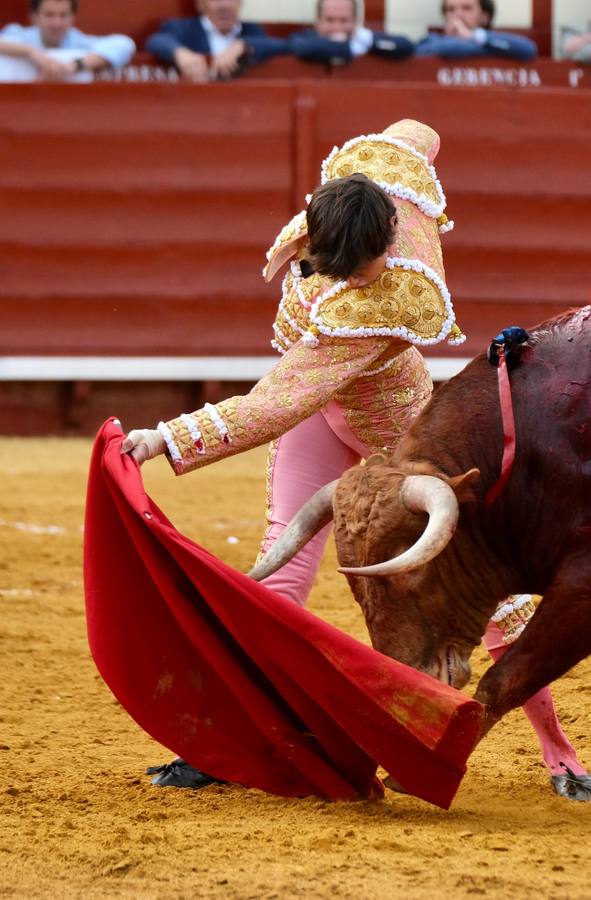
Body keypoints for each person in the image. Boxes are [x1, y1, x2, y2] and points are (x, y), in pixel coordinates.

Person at [122, 119, 588, 795]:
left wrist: (166, 437)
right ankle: (236, 743)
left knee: (479, 588)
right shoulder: (372, 181)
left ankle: (560, 753)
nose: (361, 278)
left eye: (367, 266)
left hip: (396, 431)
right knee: (280, 564)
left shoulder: (389, 294)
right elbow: (418, 131)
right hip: (320, 415)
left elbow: (275, 401)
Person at [145, 0, 286, 83]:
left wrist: (243, 45)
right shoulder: (183, 28)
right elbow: (156, 40)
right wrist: (179, 53)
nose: (224, 5)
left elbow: (283, 45)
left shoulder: (251, 31)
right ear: (200, 4)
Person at [0, 0, 135, 82]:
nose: (57, 23)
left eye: (63, 15)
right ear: (34, 17)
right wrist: (31, 51)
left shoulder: (78, 41)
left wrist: (73, 66)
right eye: (49, 15)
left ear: (73, 17)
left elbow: (124, 44)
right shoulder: (19, 35)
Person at [288, 0, 413, 66]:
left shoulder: (365, 39)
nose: (337, 27)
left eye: (344, 20)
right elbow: (302, 48)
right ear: (318, 21)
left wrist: (368, 40)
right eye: (330, 20)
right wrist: (346, 48)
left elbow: (406, 46)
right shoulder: (304, 39)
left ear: (355, 22)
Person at [416, 0, 537, 61]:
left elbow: (528, 49)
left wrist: (475, 36)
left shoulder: (490, 38)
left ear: (485, 16)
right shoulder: (432, 40)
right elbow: (450, 48)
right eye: (450, 9)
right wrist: (490, 49)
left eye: (466, 8)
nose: (457, 14)